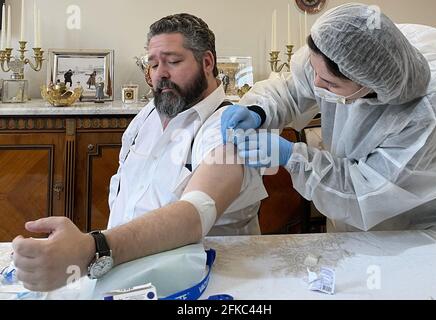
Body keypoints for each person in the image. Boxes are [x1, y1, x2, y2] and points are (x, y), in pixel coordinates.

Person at [12, 13, 267, 292]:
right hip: (129, 279)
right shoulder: (146, 116)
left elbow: (196, 213)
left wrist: (91, 248)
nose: (160, 74)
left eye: (173, 61)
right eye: (154, 64)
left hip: (208, 286)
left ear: (207, 62)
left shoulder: (229, 126)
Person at [221, 3, 436, 232]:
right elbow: (290, 89)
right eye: (314, 70)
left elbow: (366, 194)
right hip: (350, 219)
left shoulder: (425, 113)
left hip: (415, 226)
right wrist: (257, 111)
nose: (316, 84)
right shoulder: (339, 51)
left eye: (330, 83)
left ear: (368, 85)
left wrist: (293, 156)